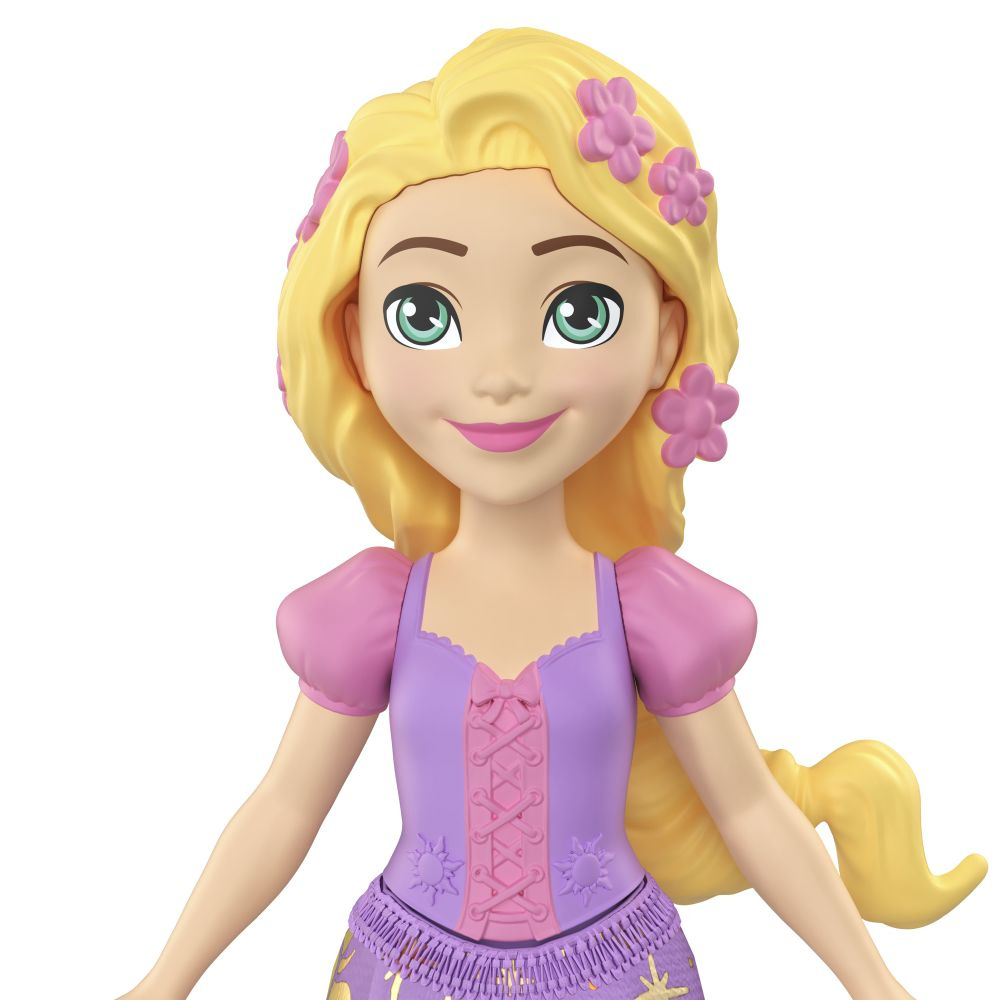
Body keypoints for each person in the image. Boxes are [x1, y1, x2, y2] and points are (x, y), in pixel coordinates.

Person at [116, 26, 986, 1000]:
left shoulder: (651, 610)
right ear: (355, 340)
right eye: (425, 315)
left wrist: (876, 984)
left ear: (663, 337)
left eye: (577, 312)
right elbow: (283, 808)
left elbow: (748, 810)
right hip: (411, 973)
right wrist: (165, 979)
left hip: (617, 973)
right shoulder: (370, 613)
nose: (499, 376)